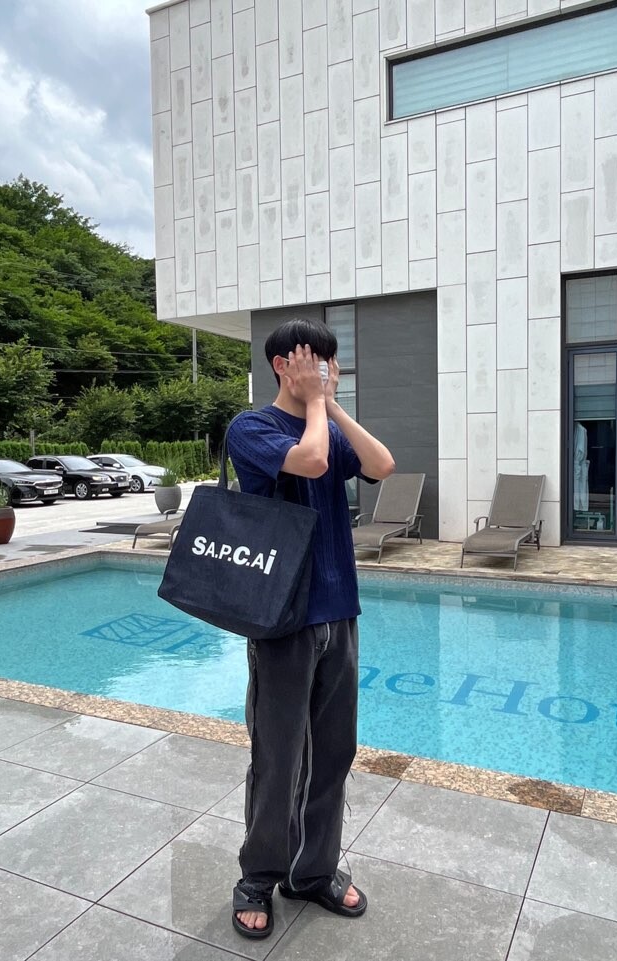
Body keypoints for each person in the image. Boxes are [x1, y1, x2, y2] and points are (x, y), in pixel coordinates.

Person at [226, 317, 396, 939]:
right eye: (312, 360)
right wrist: (317, 406)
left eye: (329, 362)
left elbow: (382, 464)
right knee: (279, 756)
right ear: (282, 365)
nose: (323, 371)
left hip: (338, 610)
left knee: (333, 752)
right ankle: (258, 877)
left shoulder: (327, 420)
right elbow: (312, 460)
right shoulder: (252, 428)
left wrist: (332, 404)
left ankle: (313, 870)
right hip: (282, 618)